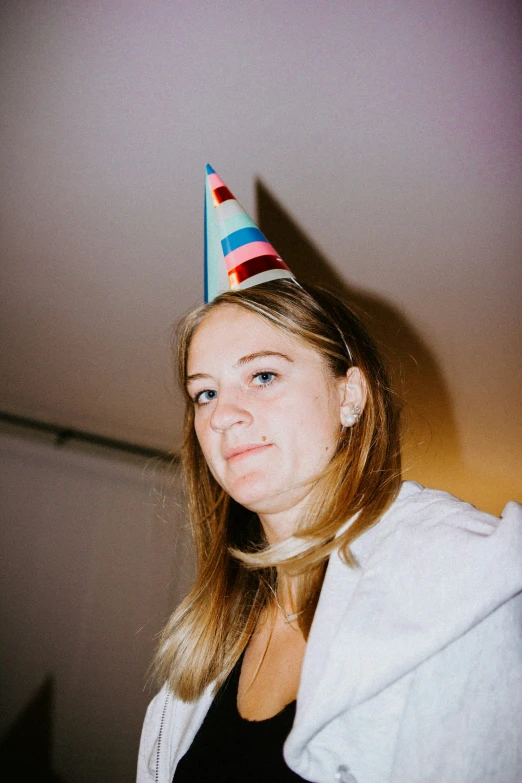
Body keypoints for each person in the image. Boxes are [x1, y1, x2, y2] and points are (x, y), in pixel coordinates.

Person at [137, 167, 522, 783]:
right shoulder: (212, 640)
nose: (224, 415)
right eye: (204, 393)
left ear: (349, 396)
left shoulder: (465, 581)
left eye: (262, 375)